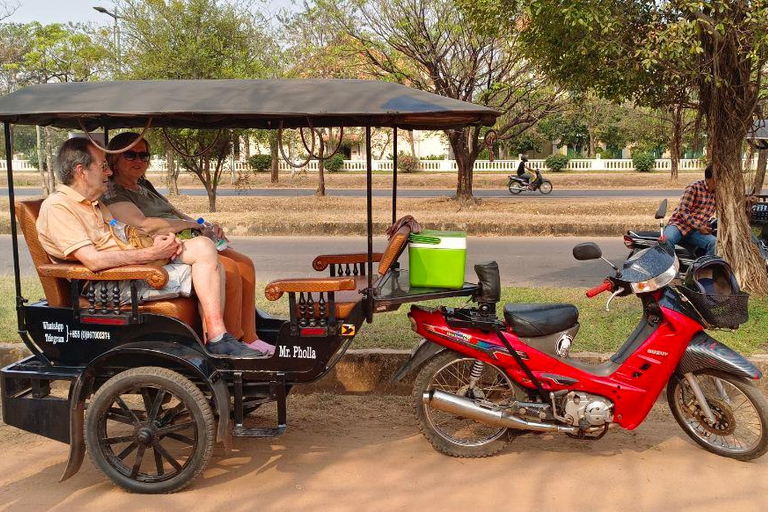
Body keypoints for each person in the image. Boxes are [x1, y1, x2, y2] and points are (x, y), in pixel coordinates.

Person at [37, 137, 263, 358]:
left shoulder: (94, 204)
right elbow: (93, 260)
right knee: (221, 269)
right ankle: (218, 339)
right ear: (81, 171)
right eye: (103, 166)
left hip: (131, 270)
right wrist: (151, 254)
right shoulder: (59, 207)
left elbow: (125, 235)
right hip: (111, 284)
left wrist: (158, 245)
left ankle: (218, 338)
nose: (108, 172)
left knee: (204, 247)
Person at [101, 132, 272, 355]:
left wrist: (203, 225)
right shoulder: (114, 192)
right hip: (162, 247)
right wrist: (188, 226)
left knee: (244, 263)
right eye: (130, 155)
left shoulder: (144, 186)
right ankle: (225, 340)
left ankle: (249, 337)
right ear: (114, 159)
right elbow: (145, 225)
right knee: (228, 269)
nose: (139, 161)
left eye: (144, 155)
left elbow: (177, 214)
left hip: (187, 239)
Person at [664, 164, 717, 256]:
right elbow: (683, 211)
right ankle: (670, 267)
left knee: (714, 243)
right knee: (666, 239)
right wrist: (698, 227)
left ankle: (705, 268)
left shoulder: (718, 193)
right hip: (679, 225)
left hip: (696, 231)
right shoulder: (694, 188)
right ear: (713, 178)